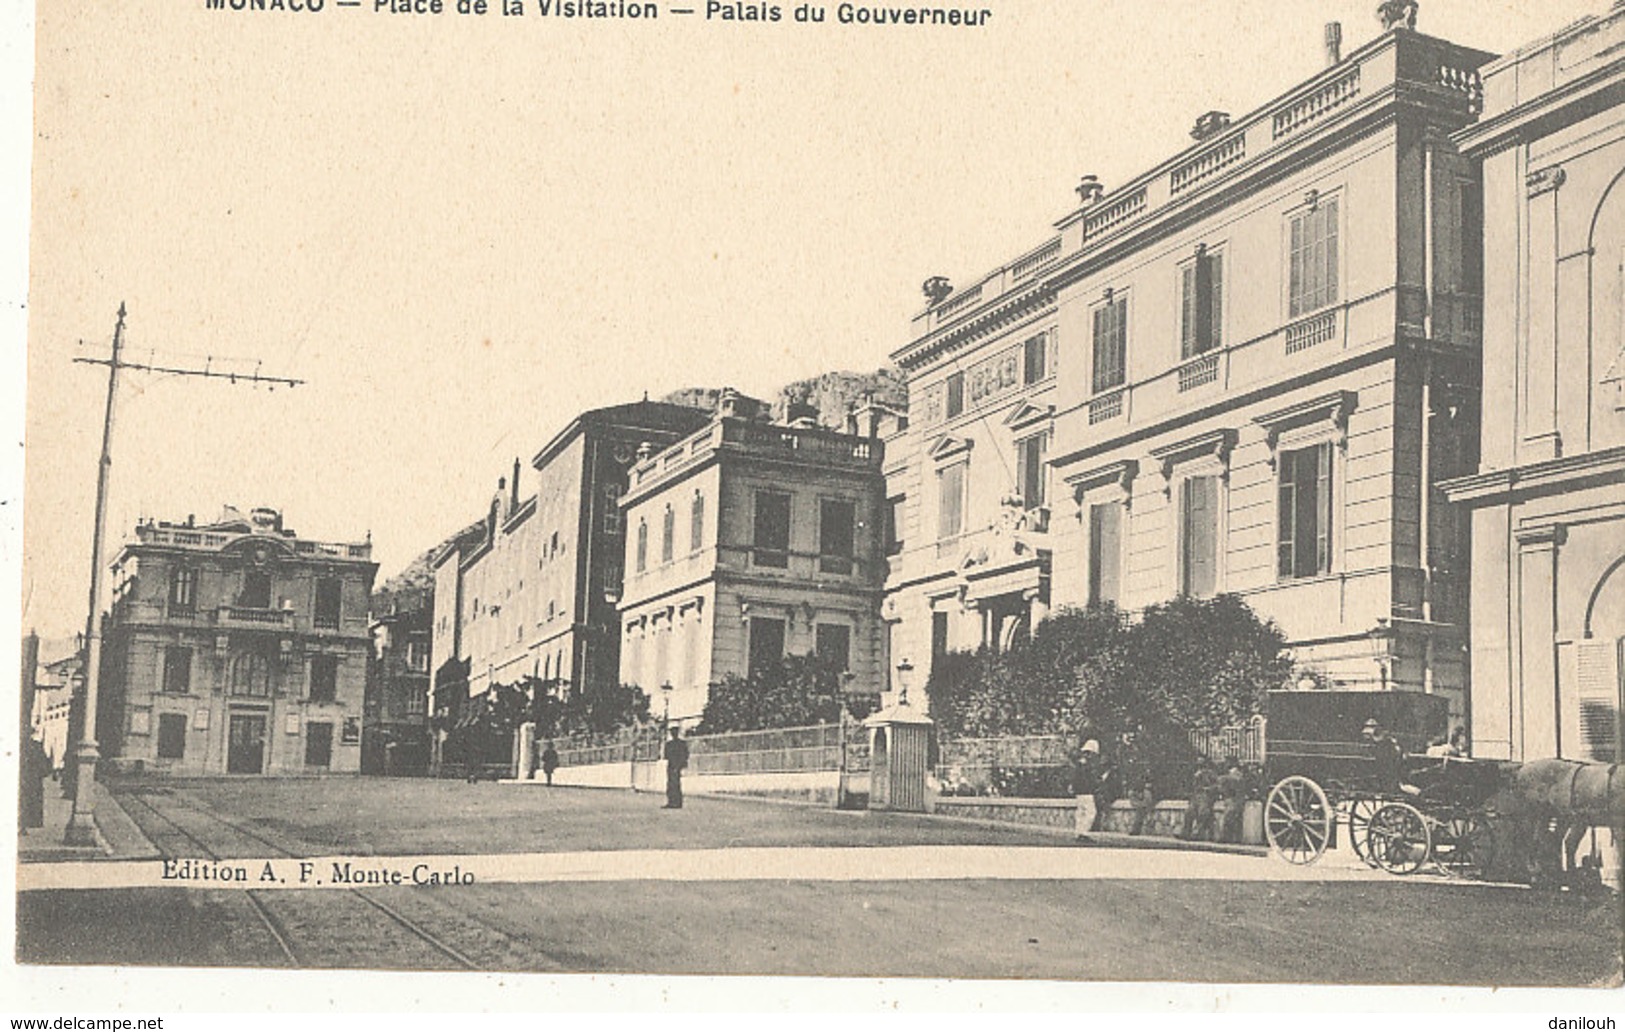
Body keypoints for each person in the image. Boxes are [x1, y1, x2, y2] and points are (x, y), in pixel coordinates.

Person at [1181, 759, 1220, 842]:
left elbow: (1217, 786)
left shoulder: (1211, 774)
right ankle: (1186, 832)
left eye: (1202, 764)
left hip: (1205, 796)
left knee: (1202, 813)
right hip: (1196, 796)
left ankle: (1198, 833)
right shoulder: (1195, 774)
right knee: (1189, 812)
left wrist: (1207, 789)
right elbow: (1192, 786)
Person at [1072, 739, 1103, 835]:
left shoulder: (1079, 763)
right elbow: (1090, 778)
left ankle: (1078, 831)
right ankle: (1084, 833)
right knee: (1091, 812)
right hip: (1087, 791)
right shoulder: (1088, 764)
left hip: (1079, 792)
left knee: (1080, 813)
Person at [1216, 761, 1248, 844]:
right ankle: (1236, 839)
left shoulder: (1230, 777)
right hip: (1238, 800)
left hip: (1234, 800)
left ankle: (1227, 838)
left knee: (1229, 818)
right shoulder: (1239, 776)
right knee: (1236, 819)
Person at [662, 727, 689, 809]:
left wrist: (680, 764)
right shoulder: (680, 743)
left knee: (674, 784)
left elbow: (685, 755)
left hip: (675, 765)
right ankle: (673, 802)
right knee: (672, 784)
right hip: (673, 765)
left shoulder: (671, 744)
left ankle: (675, 802)